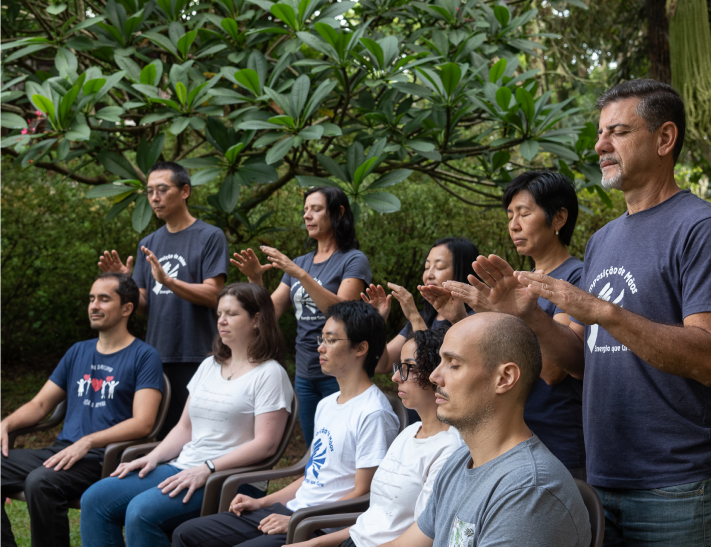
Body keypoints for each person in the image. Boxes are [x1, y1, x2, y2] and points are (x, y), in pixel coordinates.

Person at [508, 80, 711, 545]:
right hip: (600, 476)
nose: (600, 146)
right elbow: (581, 363)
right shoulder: (602, 239)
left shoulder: (698, 228)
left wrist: (602, 311)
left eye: (617, 132)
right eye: (601, 133)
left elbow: (705, 357)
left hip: (675, 486)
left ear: (664, 139)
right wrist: (530, 317)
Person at [79, 283, 294, 547]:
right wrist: (152, 457)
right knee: (95, 499)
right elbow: (184, 428)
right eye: (219, 314)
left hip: (230, 479)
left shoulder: (270, 374)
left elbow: (266, 444)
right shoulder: (209, 365)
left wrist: (207, 468)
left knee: (141, 512)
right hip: (184, 466)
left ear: (257, 319)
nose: (222, 321)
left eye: (232, 314)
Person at [172, 301, 400, 547]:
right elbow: (313, 476)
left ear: (361, 348)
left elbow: (363, 494)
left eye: (331, 341)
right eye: (321, 339)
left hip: (319, 526)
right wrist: (262, 502)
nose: (321, 348)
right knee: (185, 534)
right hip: (294, 511)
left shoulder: (373, 413)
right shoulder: (327, 404)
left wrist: (296, 520)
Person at [380, 313, 591, 547]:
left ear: (504, 378)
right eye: (440, 362)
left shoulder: (529, 490)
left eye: (454, 364)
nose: (434, 376)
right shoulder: (461, 460)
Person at [428, 172, 586, 479]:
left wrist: (509, 315)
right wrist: (461, 317)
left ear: (559, 218)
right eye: (510, 215)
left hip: (557, 439)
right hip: (510, 439)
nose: (514, 224)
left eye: (525, 213)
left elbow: (553, 372)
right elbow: (500, 357)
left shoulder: (574, 277)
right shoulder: (517, 282)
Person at [0, 273, 164, 547]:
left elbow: (143, 423)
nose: (94, 305)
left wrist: (88, 441)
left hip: (103, 458)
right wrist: (5, 424)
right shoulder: (78, 351)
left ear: (127, 308)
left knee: (41, 482)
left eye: (103, 299)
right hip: (63, 450)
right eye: (91, 299)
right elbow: (40, 404)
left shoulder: (144, 356)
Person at [291, 326, 462, 547]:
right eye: (399, 367)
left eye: (408, 368)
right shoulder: (409, 432)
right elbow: (371, 523)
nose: (395, 377)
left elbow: (424, 537)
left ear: (437, 373)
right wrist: (313, 544)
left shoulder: (450, 448)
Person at [98, 161, 230, 438]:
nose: (154, 198)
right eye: (149, 192)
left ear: (184, 191)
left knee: (199, 435)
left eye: (162, 189)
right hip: (156, 355)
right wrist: (127, 286)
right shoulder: (150, 242)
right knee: (163, 434)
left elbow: (214, 295)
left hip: (200, 353)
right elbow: (144, 305)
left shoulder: (210, 236)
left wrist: (169, 281)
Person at [232, 187, 371, 447]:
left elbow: (343, 313)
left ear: (338, 213)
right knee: (314, 447)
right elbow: (269, 313)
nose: (307, 216)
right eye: (305, 210)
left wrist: (300, 275)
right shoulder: (300, 262)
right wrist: (255, 278)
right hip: (306, 371)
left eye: (316, 209)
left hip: (340, 370)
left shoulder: (353, 260)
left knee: (342, 447)